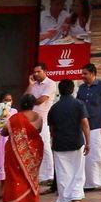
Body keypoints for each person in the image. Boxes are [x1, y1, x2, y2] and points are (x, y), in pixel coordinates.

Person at [45, 79, 91, 202]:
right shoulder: (79, 104)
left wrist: (54, 140)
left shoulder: (54, 108)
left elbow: (51, 129)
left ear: (60, 91)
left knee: (62, 172)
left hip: (59, 143)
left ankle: (64, 201)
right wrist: (88, 142)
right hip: (76, 142)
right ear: (72, 90)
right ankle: (76, 197)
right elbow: (85, 124)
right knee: (77, 170)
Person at [78, 62, 101, 193]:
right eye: (82, 74)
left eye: (85, 74)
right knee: (86, 156)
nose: (83, 76)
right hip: (85, 126)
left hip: (98, 125)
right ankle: (89, 182)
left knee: (97, 153)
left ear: (93, 74)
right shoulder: (82, 88)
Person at [1, 102, 43, 202]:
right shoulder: (38, 117)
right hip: (34, 150)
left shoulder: (15, 118)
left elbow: (4, 132)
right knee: (30, 176)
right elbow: (38, 131)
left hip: (15, 152)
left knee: (15, 177)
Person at [24, 64, 58, 192]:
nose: (36, 74)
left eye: (38, 71)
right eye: (34, 72)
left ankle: (49, 175)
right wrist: (30, 85)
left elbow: (41, 100)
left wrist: (28, 102)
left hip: (43, 119)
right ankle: (40, 174)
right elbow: (25, 97)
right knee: (34, 147)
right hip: (31, 120)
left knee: (45, 146)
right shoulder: (34, 85)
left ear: (45, 71)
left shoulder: (50, 84)